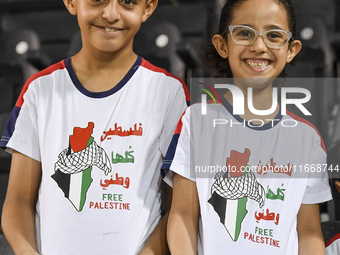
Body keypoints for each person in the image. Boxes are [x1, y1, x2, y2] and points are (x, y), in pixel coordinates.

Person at [0, 0, 190, 254]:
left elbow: (179, 207)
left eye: (128, 2)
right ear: (71, 2)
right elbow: (18, 200)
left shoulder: (169, 92)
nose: (111, 14)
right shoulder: (39, 90)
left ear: (148, 8)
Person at [162, 0, 332, 254]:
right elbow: (183, 215)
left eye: (274, 35)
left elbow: (308, 232)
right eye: (244, 33)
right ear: (222, 45)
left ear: (291, 50)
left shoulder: (307, 139)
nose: (259, 46)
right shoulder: (196, 122)